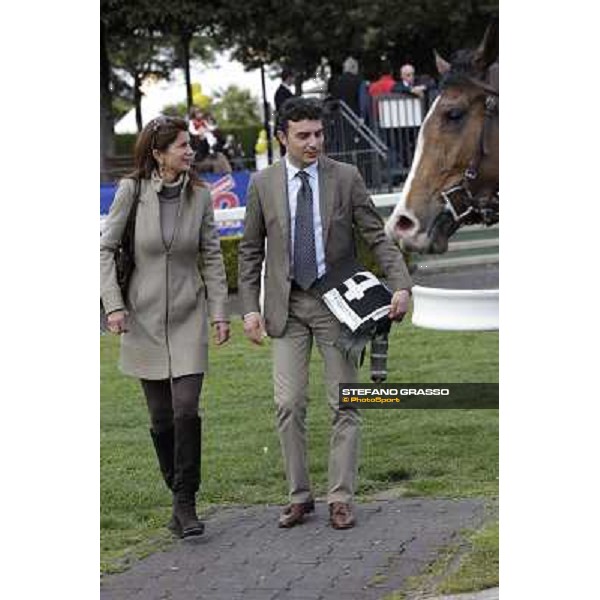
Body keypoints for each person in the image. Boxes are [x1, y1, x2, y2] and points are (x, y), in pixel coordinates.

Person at [238, 98, 412, 530]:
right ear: (283, 137)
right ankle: (299, 497)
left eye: (318, 134)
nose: (313, 142)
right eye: (303, 135)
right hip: (286, 307)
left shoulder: (346, 178)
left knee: (345, 402)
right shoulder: (262, 183)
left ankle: (340, 497)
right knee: (288, 402)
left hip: (338, 306)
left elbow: (377, 235)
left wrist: (402, 284)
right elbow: (248, 250)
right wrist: (249, 309)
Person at [100, 116, 230, 538]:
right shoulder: (131, 192)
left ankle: (185, 501)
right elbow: (104, 250)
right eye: (180, 146)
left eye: (190, 145)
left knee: (185, 407)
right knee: (160, 417)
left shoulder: (200, 196)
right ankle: (177, 491)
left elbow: (211, 256)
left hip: (189, 316)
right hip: (142, 319)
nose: (189, 152)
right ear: (158, 154)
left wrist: (219, 313)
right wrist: (113, 306)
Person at [328, 56, 369, 120]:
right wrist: (362, 116)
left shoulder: (336, 81)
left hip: (340, 118)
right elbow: (362, 100)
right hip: (355, 117)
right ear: (353, 67)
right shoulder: (360, 81)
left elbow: (334, 99)